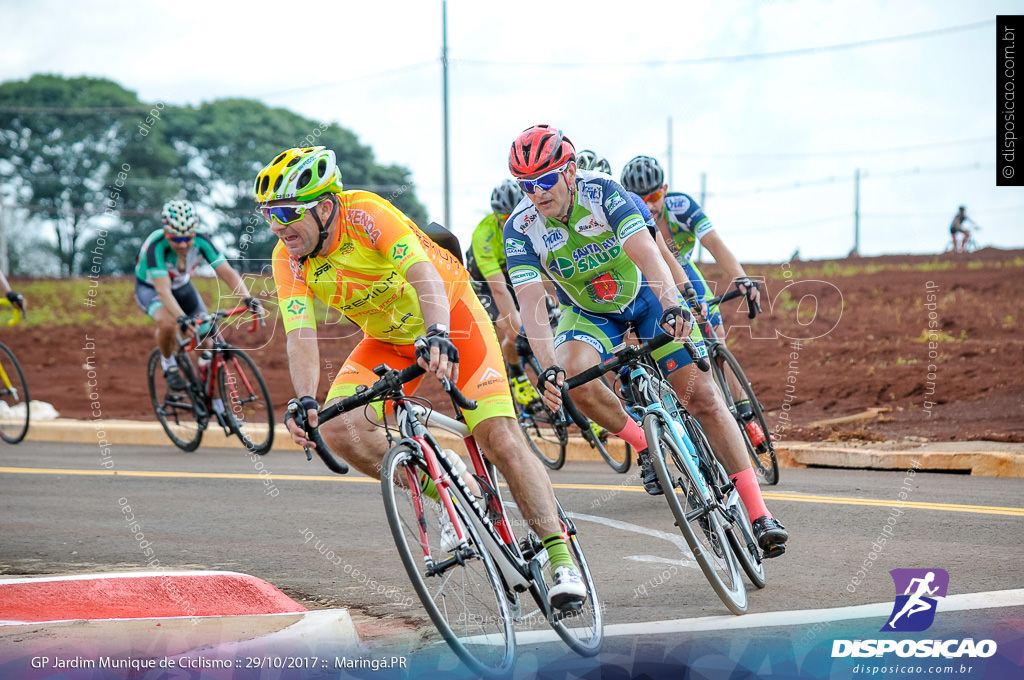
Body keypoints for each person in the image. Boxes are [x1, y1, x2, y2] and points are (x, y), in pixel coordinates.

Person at [255, 146, 588, 609]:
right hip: (389, 339)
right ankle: (449, 483)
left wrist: (437, 333)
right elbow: (300, 335)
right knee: (338, 428)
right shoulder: (287, 257)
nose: (278, 224)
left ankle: (560, 558)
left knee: (499, 437)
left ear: (325, 207)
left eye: (287, 212)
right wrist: (305, 400)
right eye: (269, 214)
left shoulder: (366, 214)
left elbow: (423, 273)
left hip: (453, 317)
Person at [505, 124, 788, 556]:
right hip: (591, 313)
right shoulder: (521, 227)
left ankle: (758, 511)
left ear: (569, 171)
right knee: (573, 375)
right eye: (526, 186)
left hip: (645, 297)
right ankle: (644, 443)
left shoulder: (604, 193)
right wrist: (548, 368)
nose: (537, 193)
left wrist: (674, 305)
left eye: (545, 180)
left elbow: (650, 254)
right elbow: (531, 306)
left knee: (704, 399)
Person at [620, 155, 767, 447]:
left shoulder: (681, 206)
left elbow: (714, 243)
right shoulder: (624, 214)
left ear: (665, 188)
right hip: (649, 277)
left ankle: (746, 416)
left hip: (684, 269)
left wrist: (741, 278)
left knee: (717, 339)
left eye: (654, 196)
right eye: (641, 198)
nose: (649, 205)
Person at [135, 199, 263, 391]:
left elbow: (226, 272)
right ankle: (168, 364)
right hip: (150, 288)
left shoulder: (202, 241)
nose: (183, 244)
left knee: (207, 340)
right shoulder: (157, 246)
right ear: (166, 233)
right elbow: (163, 290)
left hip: (183, 286)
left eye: (188, 237)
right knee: (169, 324)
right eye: (176, 239)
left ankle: (215, 402)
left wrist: (247, 297)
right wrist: (181, 319)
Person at [465, 180, 540, 406]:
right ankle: (517, 375)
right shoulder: (484, 235)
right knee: (514, 329)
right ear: (497, 216)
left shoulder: (534, 223)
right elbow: (498, 288)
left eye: (517, 214)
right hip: (486, 283)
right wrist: (518, 327)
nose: (512, 221)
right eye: (506, 218)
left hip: (513, 273)